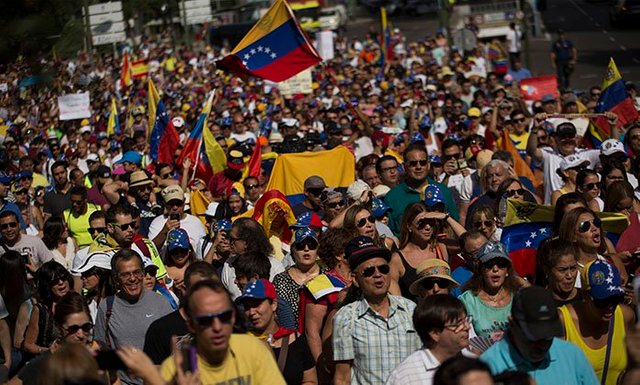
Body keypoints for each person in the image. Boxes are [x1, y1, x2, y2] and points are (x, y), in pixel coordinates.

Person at [159, 279, 286, 384]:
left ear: (233, 317)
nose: (217, 327)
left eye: (224, 317)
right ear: (192, 325)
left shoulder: (254, 349)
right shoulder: (176, 369)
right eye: (206, 320)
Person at [333, 236, 421, 385]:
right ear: (355, 279)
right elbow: (342, 377)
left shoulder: (411, 310)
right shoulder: (346, 318)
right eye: (368, 271)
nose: (378, 274)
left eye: (383, 269)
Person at [481, 286, 599, 385]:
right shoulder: (486, 370)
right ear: (512, 324)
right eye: (534, 336)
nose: (541, 345)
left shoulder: (572, 355)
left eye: (548, 336)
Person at [94, 249, 173, 385]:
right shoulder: (106, 306)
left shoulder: (161, 303)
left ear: (143, 273)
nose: (132, 278)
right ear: (115, 278)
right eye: (125, 275)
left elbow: (176, 348)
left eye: (136, 272)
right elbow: (99, 348)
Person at [558, 259, 635, 385]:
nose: (610, 306)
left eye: (616, 298)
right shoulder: (563, 321)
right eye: (602, 301)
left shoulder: (626, 316)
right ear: (585, 295)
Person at [9, 292, 102, 385]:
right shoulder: (44, 364)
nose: (81, 335)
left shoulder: (100, 352)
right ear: (59, 327)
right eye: (73, 329)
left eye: (86, 327)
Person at [237, 279, 317, 384]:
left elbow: (310, 380)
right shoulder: (240, 343)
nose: (251, 312)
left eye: (256, 304)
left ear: (273, 304)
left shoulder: (295, 339)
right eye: (247, 307)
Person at [144, 262, 219, 365]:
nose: (208, 296)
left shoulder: (224, 324)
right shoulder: (160, 330)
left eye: (214, 289)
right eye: (200, 289)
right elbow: (151, 373)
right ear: (184, 290)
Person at [386, 294, 471, 385]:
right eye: (458, 324)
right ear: (435, 333)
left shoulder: (473, 364)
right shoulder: (406, 376)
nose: (467, 327)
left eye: (466, 320)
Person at [384, 144, 459, 235]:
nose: (418, 167)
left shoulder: (443, 190)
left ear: (428, 165)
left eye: (422, 162)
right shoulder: (391, 197)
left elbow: (455, 223)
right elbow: (390, 233)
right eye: (413, 163)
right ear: (404, 166)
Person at [459, 241, 523, 342]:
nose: (495, 269)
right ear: (480, 270)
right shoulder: (467, 301)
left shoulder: (519, 298)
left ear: (507, 271)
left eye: (501, 264)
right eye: (489, 265)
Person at [391, 202, 456, 300]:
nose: (428, 227)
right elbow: (396, 299)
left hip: (443, 310)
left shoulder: (441, 248)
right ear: (409, 226)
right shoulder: (397, 259)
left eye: (431, 222)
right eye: (421, 223)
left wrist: (446, 218)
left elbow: (471, 243)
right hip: (415, 313)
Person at [220, 217, 285, 299]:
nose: (229, 242)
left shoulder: (276, 267)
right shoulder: (228, 264)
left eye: (233, 239)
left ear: (246, 243)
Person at [273, 228, 325, 324]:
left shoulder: (328, 275)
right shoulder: (281, 280)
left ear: (317, 250)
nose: (306, 249)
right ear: (293, 251)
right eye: (301, 246)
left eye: (311, 245)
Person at [23, 261, 73, 356]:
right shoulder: (41, 310)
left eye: (63, 278)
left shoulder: (78, 301)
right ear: (47, 286)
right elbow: (28, 345)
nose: (61, 283)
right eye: (55, 281)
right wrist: (49, 351)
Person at [148, 185, 206, 252]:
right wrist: (164, 231)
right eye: (171, 204)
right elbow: (151, 250)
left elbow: (202, 250)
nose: (175, 207)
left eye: (178, 203)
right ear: (164, 204)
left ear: (184, 202)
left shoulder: (196, 222)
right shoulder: (157, 223)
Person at [535, 238, 582, 306]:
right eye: (562, 270)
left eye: (573, 268)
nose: (569, 276)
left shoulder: (588, 299)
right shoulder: (539, 305)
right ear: (547, 270)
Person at [451, 230, 488, 298]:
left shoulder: (500, 269)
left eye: (486, 249)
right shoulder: (456, 281)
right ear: (464, 256)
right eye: (476, 253)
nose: (484, 255)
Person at [164, 228, 196, 299]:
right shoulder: (163, 271)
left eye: (183, 250)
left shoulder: (198, 268)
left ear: (189, 249)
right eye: (174, 251)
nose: (179, 255)